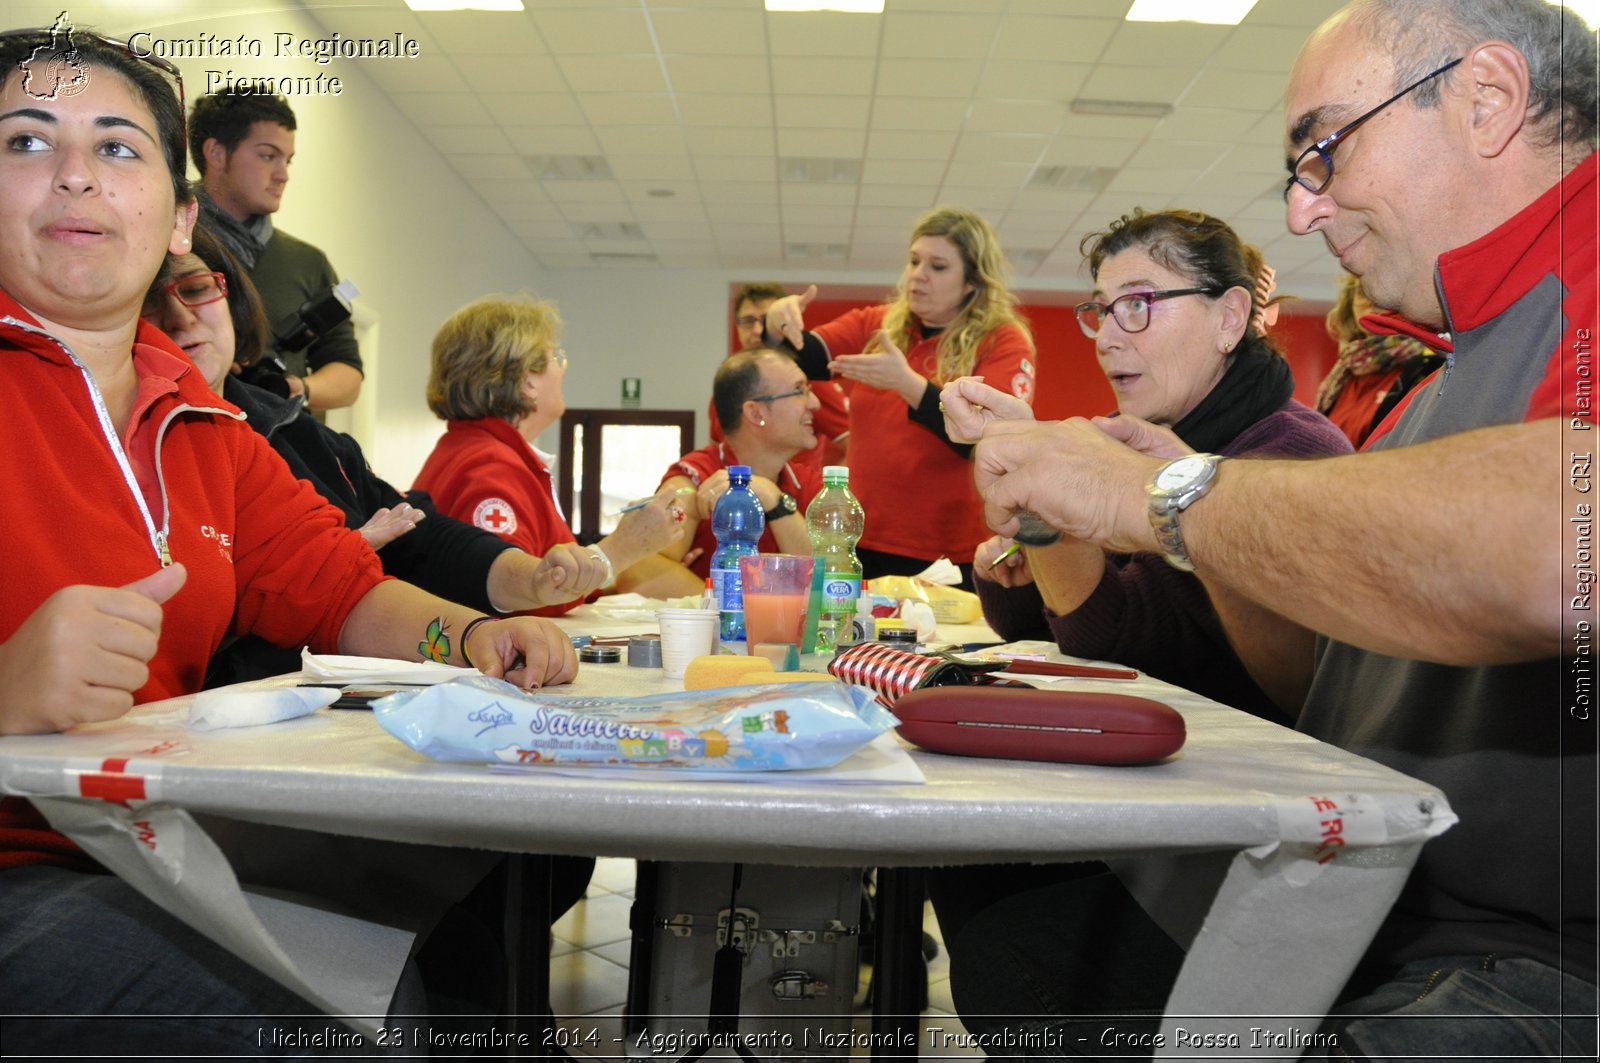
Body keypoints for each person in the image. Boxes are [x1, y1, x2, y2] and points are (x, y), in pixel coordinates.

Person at [954, 0, 1597, 1056]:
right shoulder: (1445, 369)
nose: (1304, 211)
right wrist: (1185, 520)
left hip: (1537, 954)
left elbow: (1559, 550)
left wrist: (1157, 499)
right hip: (1379, 900)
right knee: (1017, 943)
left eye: (1326, 149)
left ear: (1488, 98)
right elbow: (1316, 684)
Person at [0, 28, 578, 1055]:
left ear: (180, 220)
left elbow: (340, 587)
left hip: (148, 845)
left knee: (401, 987)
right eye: (28, 142)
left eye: (119, 148)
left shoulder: (211, 427)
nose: (78, 175)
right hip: (34, 873)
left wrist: (474, 637)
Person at [144, 224, 614, 685]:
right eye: (150, 300)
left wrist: (487, 627)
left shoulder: (298, 432)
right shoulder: (160, 446)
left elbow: (399, 551)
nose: (181, 316)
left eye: (199, 288)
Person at [950, 211, 1352, 725]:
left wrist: (1044, 506)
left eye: (1138, 304)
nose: (1105, 338)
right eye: (1102, 310)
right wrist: (1034, 500)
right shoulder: (1121, 435)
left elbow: (1119, 639)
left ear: (1229, 317)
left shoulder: (1291, 454)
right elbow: (1025, 625)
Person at [765, 206, 1035, 588]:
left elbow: (992, 438)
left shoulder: (1002, 339)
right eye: (913, 261)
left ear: (973, 281)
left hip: (948, 552)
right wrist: (778, 323)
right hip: (860, 541)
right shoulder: (879, 324)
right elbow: (802, 358)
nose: (918, 275)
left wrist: (909, 385)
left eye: (938, 266)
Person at [414, 295, 698, 605]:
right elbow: (506, 597)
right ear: (527, 381)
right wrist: (623, 547)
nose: (562, 371)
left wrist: (627, 558)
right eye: (555, 358)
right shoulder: (491, 465)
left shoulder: (471, 451)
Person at [190, 88, 362, 414]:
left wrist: (298, 390)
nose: (283, 175)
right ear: (216, 153)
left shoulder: (308, 263)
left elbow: (348, 371)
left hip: (284, 454)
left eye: (288, 160)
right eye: (268, 156)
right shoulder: (168, 244)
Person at [659, 349, 826, 580]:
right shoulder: (695, 480)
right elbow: (639, 574)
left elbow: (834, 582)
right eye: (799, 391)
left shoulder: (808, 484)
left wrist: (773, 499)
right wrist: (730, 604)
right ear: (755, 413)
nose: (815, 403)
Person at [712, 282, 850, 466]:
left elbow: (857, 449)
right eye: (748, 321)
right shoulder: (728, 386)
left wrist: (822, 491)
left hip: (797, 491)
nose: (757, 331)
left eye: (767, 320)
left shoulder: (809, 382)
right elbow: (717, 453)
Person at [1315, 271, 1447, 446]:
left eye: (1382, 289)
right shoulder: (1344, 372)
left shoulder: (1431, 365)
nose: (1372, 300)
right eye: (1362, 291)